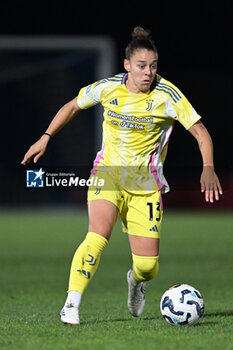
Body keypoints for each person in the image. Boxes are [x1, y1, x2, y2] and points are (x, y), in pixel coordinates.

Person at [21, 26, 223, 325]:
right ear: (127, 65)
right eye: (142, 66)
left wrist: (208, 167)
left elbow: (201, 133)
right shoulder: (108, 87)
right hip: (108, 174)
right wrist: (46, 136)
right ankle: (71, 305)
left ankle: (137, 281)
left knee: (147, 267)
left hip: (145, 185)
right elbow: (72, 106)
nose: (148, 73)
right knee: (96, 236)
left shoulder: (167, 95)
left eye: (153, 66)